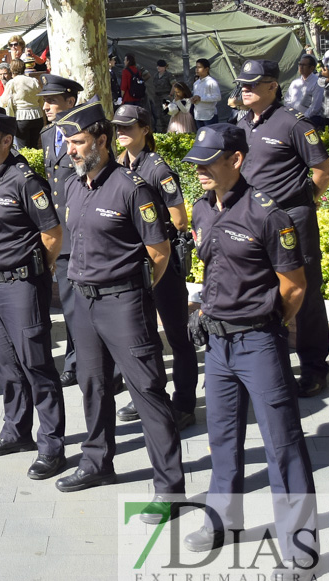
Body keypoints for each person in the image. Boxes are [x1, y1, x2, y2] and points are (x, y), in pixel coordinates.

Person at [182, 123, 319, 581]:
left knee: (283, 446)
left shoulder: (268, 214)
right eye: (195, 163)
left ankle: (300, 552)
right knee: (222, 438)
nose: (198, 170)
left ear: (235, 160)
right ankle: (222, 521)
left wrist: (270, 323)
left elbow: (294, 285)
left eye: (207, 162)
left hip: (259, 341)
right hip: (216, 344)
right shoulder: (203, 208)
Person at [53, 100, 185, 503]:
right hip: (84, 303)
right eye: (67, 143)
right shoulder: (74, 184)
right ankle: (96, 463)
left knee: (146, 389)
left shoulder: (131, 187)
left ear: (101, 140)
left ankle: (169, 488)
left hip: (124, 303)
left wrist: (136, 291)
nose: (70, 150)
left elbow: (159, 251)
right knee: (92, 386)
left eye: (77, 142)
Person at [0, 109, 66, 480]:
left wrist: (41, 269)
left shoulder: (26, 181)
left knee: (36, 365)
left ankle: (52, 445)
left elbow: (52, 234)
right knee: (7, 365)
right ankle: (16, 431)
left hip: (22, 285)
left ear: (6, 141)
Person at [236, 59, 329, 397]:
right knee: (263, 290)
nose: (245, 89)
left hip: (291, 220)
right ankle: (271, 365)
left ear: (272, 86)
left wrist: (305, 201)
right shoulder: (243, 124)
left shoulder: (293, 123)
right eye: (242, 84)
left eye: (252, 84)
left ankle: (313, 368)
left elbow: (323, 169)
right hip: (254, 223)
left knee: (304, 293)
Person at [111, 105, 198, 429]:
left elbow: (179, 219)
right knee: (142, 334)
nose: (121, 133)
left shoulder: (158, 169)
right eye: (117, 127)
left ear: (145, 129)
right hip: (133, 262)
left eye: (128, 127)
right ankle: (150, 394)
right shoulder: (119, 164)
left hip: (162, 260)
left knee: (177, 334)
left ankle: (185, 404)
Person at [37, 74, 82, 388]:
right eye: (44, 100)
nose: (47, 106)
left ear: (71, 101)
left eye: (53, 100)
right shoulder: (46, 134)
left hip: (84, 229)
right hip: (62, 233)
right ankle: (74, 361)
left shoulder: (86, 133)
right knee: (68, 303)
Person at [0, 60, 45, 149]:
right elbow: (41, 99)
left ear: (11, 69)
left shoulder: (12, 82)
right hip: (37, 116)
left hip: (21, 117)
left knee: (23, 148)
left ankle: (25, 163)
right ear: (24, 68)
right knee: (34, 146)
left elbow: (3, 100)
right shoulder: (33, 81)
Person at [285, 55, 324, 127]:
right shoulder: (295, 82)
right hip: (293, 118)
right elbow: (287, 100)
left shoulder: (317, 82)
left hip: (310, 120)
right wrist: (291, 114)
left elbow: (315, 107)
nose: (301, 67)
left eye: (304, 65)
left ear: (312, 68)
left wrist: (302, 118)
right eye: (300, 64)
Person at [191, 58, 222, 126]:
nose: (197, 69)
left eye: (199, 67)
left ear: (206, 69)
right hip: (198, 115)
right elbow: (196, 97)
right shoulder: (196, 83)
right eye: (196, 67)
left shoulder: (212, 82)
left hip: (209, 116)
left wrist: (201, 98)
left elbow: (218, 97)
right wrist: (193, 99)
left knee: (211, 136)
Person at [149, 60, 175, 132]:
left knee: (166, 113)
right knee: (158, 114)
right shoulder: (156, 75)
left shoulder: (169, 75)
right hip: (157, 97)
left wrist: (170, 94)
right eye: (157, 66)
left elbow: (174, 85)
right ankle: (161, 129)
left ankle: (168, 129)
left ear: (164, 67)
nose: (158, 67)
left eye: (160, 66)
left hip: (165, 96)